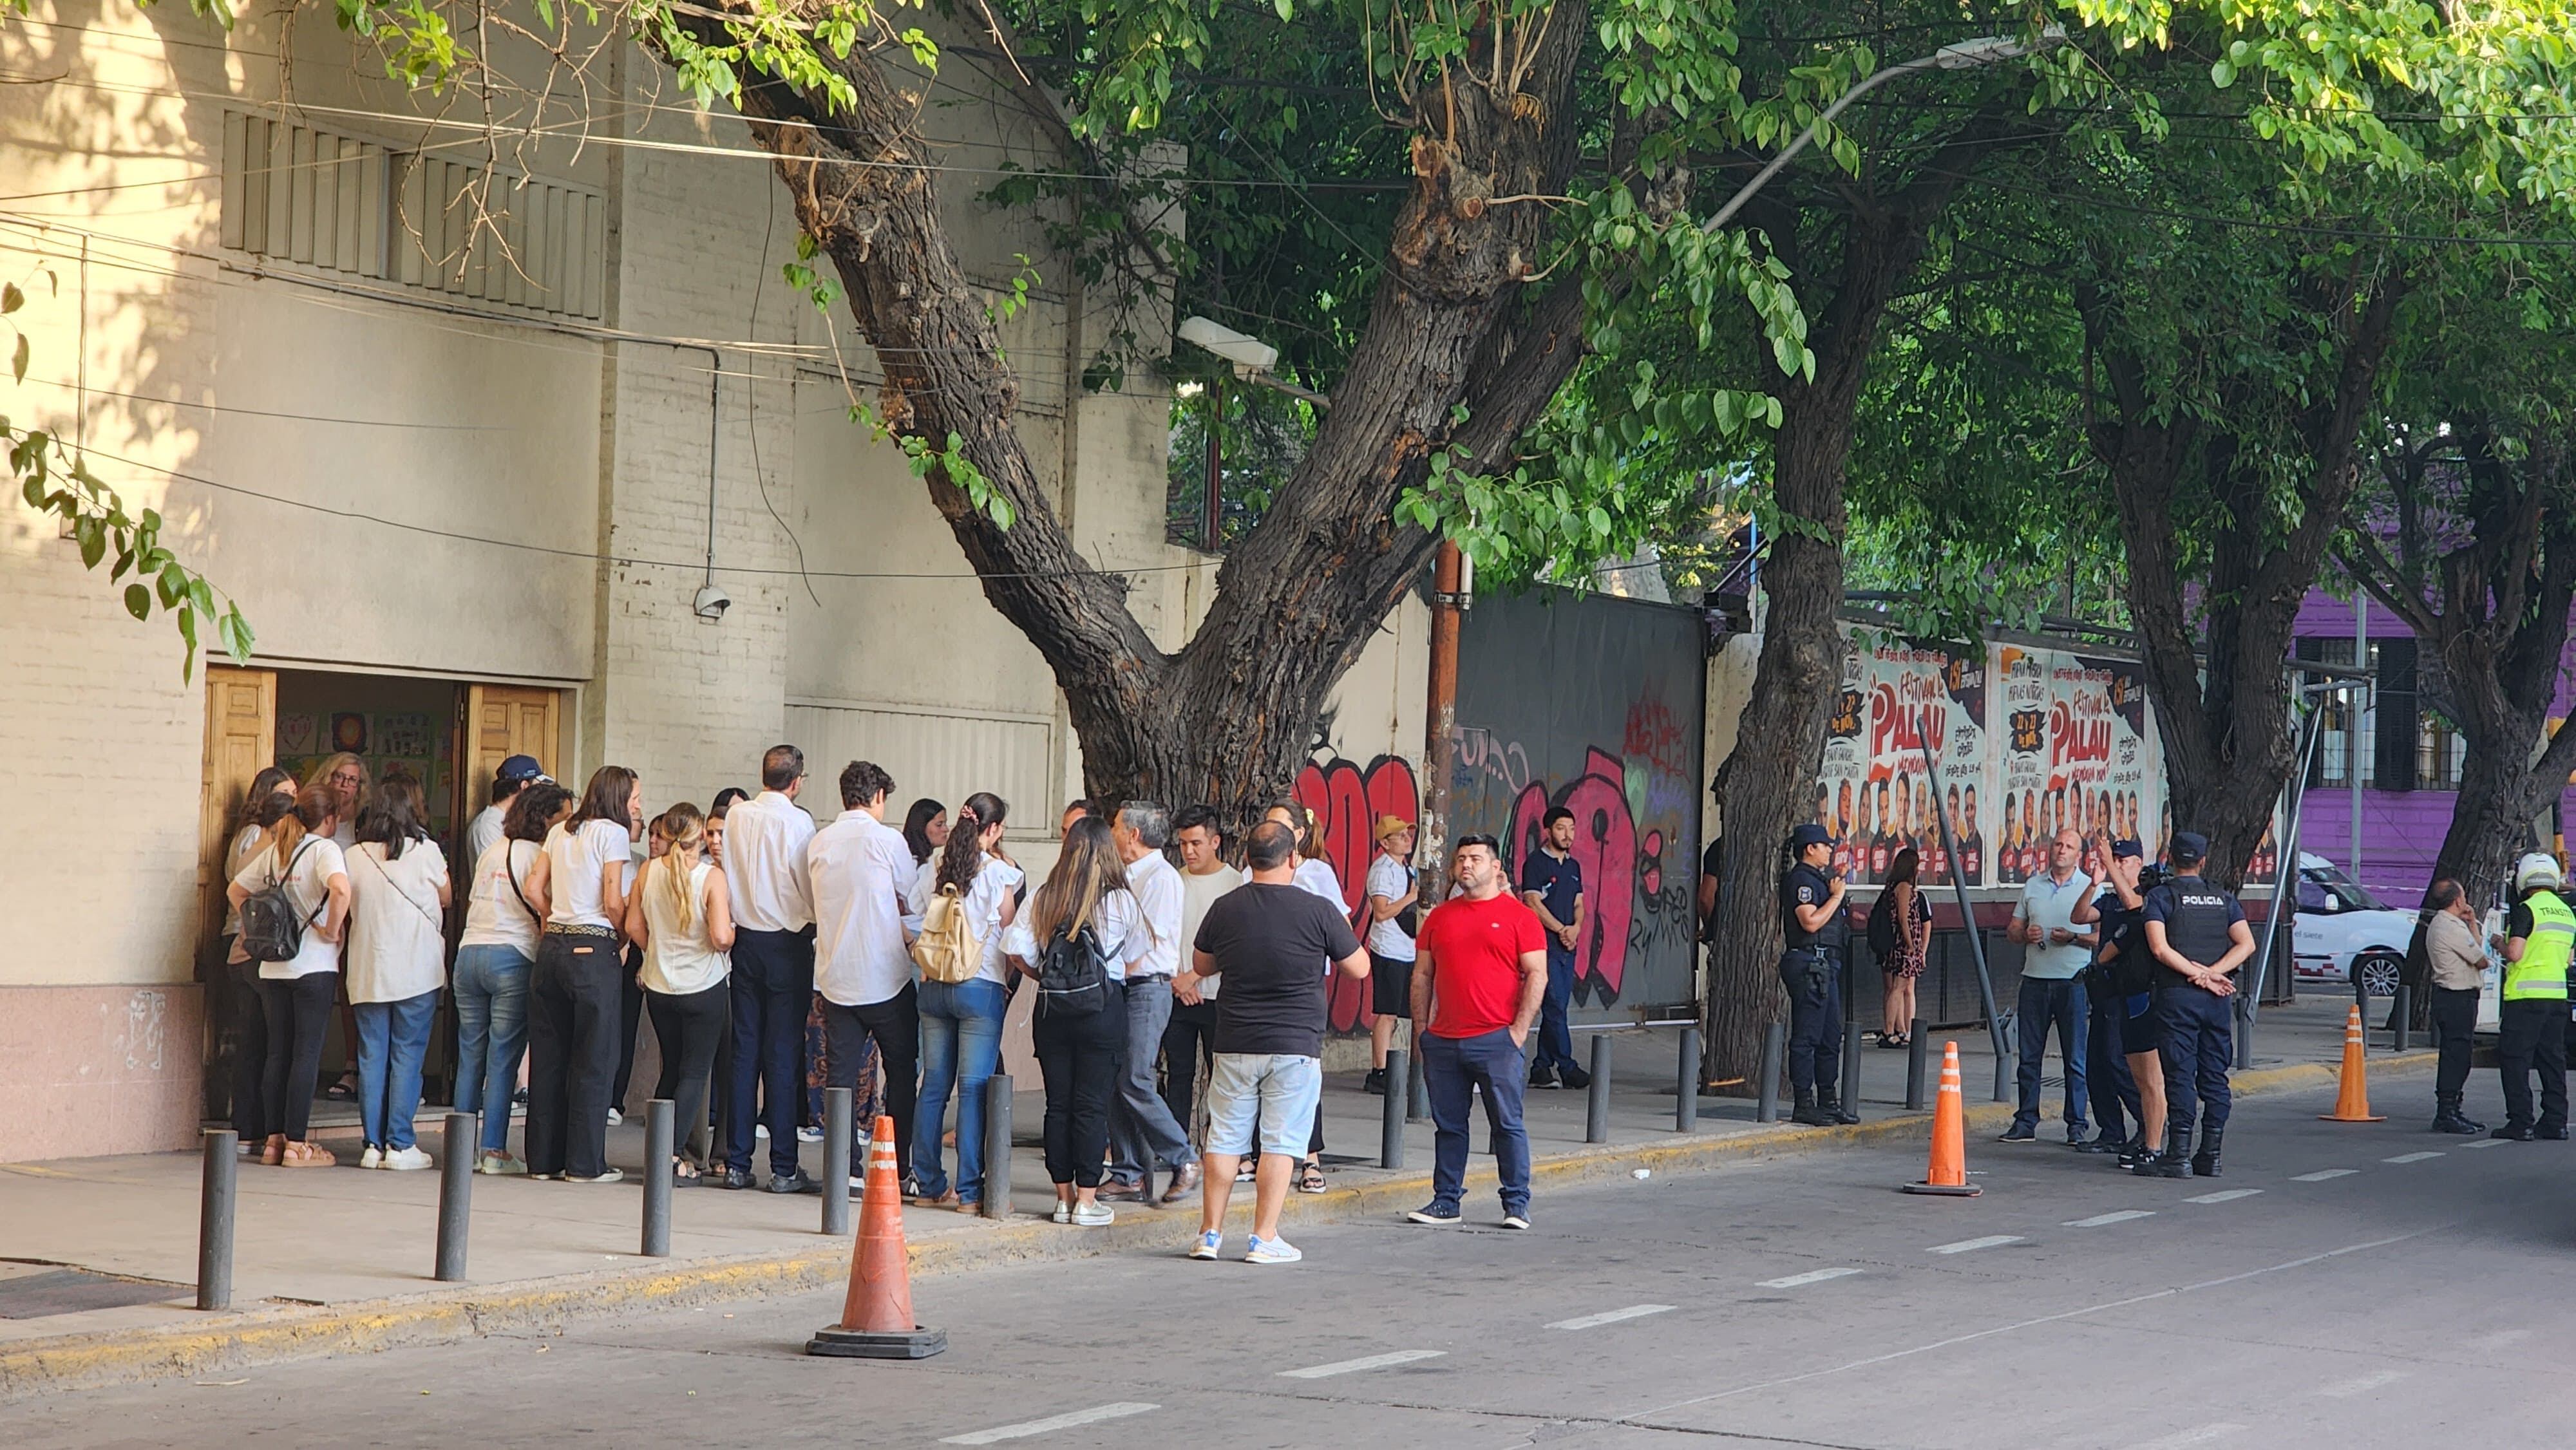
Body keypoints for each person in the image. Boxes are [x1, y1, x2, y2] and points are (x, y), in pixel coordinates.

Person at [1179, 820, 1369, 1264]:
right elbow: (1358, 967)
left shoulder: (1226, 907)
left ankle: (1209, 1233)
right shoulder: (1318, 909)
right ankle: (1264, 1237)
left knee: (1224, 1136)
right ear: (1294, 859)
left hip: (1234, 1038)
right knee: (1281, 1141)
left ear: (1248, 859)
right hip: (1295, 1044)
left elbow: (1202, 964)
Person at [1005, 815, 1153, 1226]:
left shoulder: (1044, 895)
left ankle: (1064, 1197)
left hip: (1052, 1011)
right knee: (1091, 1106)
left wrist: (1048, 976)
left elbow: (1015, 951)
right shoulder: (1122, 899)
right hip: (1103, 1009)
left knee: (1059, 1105)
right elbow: (1137, 957)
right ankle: (1088, 1200)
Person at [1405, 833, 1546, 1229]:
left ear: (1495, 867)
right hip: (1445, 1040)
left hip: (1497, 1040)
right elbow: (1422, 975)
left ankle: (1516, 1203)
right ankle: (1446, 1201)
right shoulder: (1439, 918)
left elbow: (1537, 974)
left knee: (1507, 1124)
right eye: (1461, 859)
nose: (1467, 865)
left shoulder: (1520, 917)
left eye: (1476, 859)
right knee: (1449, 1126)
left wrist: (1518, 1031)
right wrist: (1422, 1031)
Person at [808, 760, 924, 1193]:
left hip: (836, 978)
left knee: (839, 1079)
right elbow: (911, 899)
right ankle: (897, 1165)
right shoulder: (886, 839)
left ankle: (844, 1170)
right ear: (877, 797)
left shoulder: (820, 843)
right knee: (899, 1071)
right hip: (885, 977)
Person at [523, 765, 641, 1185]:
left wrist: (551, 918)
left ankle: (542, 1160)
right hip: (593, 950)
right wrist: (624, 934)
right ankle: (584, 1164)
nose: (638, 807)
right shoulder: (611, 833)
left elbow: (534, 887)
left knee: (549, 1058)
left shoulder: (560, 832)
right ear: (616, 799)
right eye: (633, 799)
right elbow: (612, 898)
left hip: (552, 947)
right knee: (595, 1057)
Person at [905, 792, 1021, 1210]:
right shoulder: (998, 873)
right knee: (973, 1090)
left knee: (933, 1085)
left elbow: (910, 917)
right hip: (980, 986)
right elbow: (1009, 934)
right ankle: (968, 1193)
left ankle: (929, 1183)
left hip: (933, 985)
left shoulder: (934, 868)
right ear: (993, 830)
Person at [227, 782, 350, 1168]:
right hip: (313, 966)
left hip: (273, 966)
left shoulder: (278, 850)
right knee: (306, 1054)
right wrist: (331, 929)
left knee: (278, 1052)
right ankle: (298, 1143)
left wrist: (254, 931)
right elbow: (341, 891)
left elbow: (236, 891)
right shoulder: (325, 850)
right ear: (330, 818)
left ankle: (273, 1141)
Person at [719, 746, 820, 1192]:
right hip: (787, 940)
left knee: (744, 1052)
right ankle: (783, 1167)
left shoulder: (737, 816)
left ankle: (737, 1162)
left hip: (745, 939)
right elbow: (804, 883)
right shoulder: (799, 822)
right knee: (781, 1055)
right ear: (796, 782)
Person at [456, 779, 567, 1174]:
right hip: (512, 957)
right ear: (546, 819)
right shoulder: (538, 855)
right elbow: (543, 905)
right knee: (502, 1057)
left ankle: (461, 1148)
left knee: (470, 1055)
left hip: (469, 955)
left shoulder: (491, 852)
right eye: (563, 817)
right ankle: (493, 1150)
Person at [343, 771, 452, 1171]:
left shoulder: (354, 856)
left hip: (368, 969)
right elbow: (447, 896)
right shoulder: (427, 851)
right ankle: (401, 1144)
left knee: (371, 1056)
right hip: (417, 970)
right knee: (407, 1056)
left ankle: (372, 1145)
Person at [627, 802, 735, 1184]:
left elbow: (633, 925)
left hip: (659, 985)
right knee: (694, 1072)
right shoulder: (711, 877)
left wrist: (654, 950)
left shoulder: (648, 871)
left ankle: (659, 1150)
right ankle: (670, 1155)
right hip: (703, 986)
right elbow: (721, 936)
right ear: (699, 837)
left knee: (670, 1068)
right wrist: (732, 935)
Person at [2137, 831, 2252, 1178]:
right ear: (2202, 861)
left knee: (2180, 1077)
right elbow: (2246, 944)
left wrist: (2195, 975)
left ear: (2171, 858)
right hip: (2215, 1000)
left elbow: (2159, 949)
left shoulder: (2160, 897)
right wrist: (2213, 975)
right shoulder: (2223, 898)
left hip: (2177, 998)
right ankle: (2211, 1156)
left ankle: (2179, 1157)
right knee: (2215, 1078)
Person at [1101, 801, 1197, 1205]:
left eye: (1116, 827)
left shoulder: (1160, 878)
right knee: (1114, 1079)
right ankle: (1128, 1172)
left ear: (1134, 835)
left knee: (1137, 1077)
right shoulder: (1125, 875)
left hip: (1146, 987)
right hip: (1123, 987)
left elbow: (1146, 941)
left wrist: (1109, 965)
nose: (1111, 834)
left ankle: (1184, 1157)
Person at [218, 767, 298, 1148]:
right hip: (248, 940)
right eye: (284, 796)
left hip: (247, 941)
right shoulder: (259, 835)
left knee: (256, 1038)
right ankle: (252, 1124)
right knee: (259, 1039)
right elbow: (240, 882)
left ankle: (249, 1124)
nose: (293, 804)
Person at [2000, 829, 2092, 1144]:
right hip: (2035, 981)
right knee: (2029, 1057)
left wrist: (2074, 937)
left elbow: (2104, 937)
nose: (2062, 850)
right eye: (2058, 844)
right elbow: (2012, 929)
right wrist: (2025, 934)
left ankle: (2077, 1124)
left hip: (2073, 983)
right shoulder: (2033, 885)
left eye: (2069, 847)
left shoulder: (2091, 888)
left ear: (2079, 855)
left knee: (2075, 1059)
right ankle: (2026, 1120)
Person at [1162, 805, 1243, 1158]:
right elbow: (1162, 938)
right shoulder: (1174, 881)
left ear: (1215, 842)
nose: (1189, 851)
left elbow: (1233, 945)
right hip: (1177, 994)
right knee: (1178, 1074)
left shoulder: (1236, 884)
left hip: (1218, 997)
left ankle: (1223, 1149)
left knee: (1221, 1077)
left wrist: (1193, 976)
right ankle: (1178, 1149)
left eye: (1196, 843)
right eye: (1182, 844)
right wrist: (1178, 982)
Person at [2068, 834, 2148, 1156]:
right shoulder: (2111, 898)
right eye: (2113, 860)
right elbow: (2079, 917)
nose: (2116, 866)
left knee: (2119, 1061)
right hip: (2103, 989)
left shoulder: (2145, 896)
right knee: (2096, 1064)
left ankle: (2148, 1123)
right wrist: (2093, 884)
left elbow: (2134, 907)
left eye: (2123, 861)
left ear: (2138, 864)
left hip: (2129, 990)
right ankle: (2110, 1130)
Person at [2488, 853, 2571, 1141]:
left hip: (2525, 998)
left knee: (2515, 1060)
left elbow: (2515, 954)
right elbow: (2569, 956)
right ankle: (2556, 1122)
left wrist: (2499, 942)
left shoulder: (2527, 910)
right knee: (2552, 1060)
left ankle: (2521, 1122)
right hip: (2557, 997)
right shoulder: (2567, 912)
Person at [1778, 824, 1848, 1126]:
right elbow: (1809, 922)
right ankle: (1804, 1103)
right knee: (1807, 1036)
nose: (1830, 850)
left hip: (1827, 965)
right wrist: (1835, 898)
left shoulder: (1820, 880)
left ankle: (1828, 1100)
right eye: (1825, 845)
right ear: (1810, 848)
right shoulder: (1801, 881)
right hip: (1809, 964)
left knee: (1831, 1036)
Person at [1520, 806, 1591, 1091]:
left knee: (1558, 1005)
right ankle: (1567, 1066)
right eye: (1562, 828)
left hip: (1567, 947)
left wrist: (1575, 928)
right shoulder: (1536, 863)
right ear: (1548, 831)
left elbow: (1579, 904)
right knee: (1555, 1005)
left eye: (1572, 828)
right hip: (1543, 946)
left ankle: (1541, 1068)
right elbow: (1533, 903)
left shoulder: (1574, 866)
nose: (1568, 835)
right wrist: (1560, 930)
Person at [2420, 878, 2488, 1135]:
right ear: (2458, 899)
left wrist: (2471, 922)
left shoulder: (2450, 925)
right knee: (2455, 1057)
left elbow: (2476, 950)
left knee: (2459, 1055)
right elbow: (2481, 960)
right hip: (2455, 996)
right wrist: (2470, 927)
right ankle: (2446, 1112)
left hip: (2457, 996)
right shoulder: (2448, 927)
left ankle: (2454, 1109)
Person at [1363, 816, 1422, 1096]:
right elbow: (1382, 911)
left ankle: (1396, 1067)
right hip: (1388, 948)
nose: (1407, 839)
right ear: (1385, 843)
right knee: (1387, 1012)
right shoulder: (1382, 870)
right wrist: (1412, 898)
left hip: (1407, 948)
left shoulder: (1406, 868)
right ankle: (1379, 1071)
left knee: (1401, 1012)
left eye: (1407, 834)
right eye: (1399, 836)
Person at [1877, 847, 1930, 1048]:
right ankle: (1889, 1030)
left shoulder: (1892, 886)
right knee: (1898, 988)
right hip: (1903, 945)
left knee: (1898, 988)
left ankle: (1897, 1029)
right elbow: (1903, 918)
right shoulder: (1904, 888)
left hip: (1898, 943)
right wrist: (1910, 944)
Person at [466, 755, 547, 870]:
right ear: (525, 786)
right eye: (537, 787)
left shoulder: (517, 821)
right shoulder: (488, 826)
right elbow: (497, 872)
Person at [903, 798, 949, 871]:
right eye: (939, 825)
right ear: (922, 826)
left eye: (945, 823)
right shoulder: (910, 862)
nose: (946, 829)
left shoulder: (927, 860)